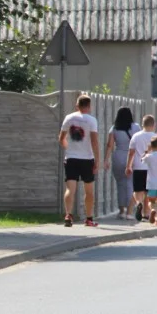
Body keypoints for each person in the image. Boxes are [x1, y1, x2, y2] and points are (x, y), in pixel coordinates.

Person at [59, 94, 100, 227]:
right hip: (87, 159)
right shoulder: (92, 120)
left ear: (77, 105)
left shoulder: (69, 118)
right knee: (88, 191)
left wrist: (68, 148)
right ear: (89, 106)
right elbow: (94, 141)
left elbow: (61, 138)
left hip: (71, 158)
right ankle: (88, 218)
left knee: (70, 189)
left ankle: (68, 215)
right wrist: (97, 160)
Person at [104, 107, 140, 219]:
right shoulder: (136, 127)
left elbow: (109, 145)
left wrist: (106, 159)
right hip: (131, 156)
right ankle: (130, 211)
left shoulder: (114, 128)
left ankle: (121, 210)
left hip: (118, 156)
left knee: (120, 184)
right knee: (130, 183)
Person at [125, 114, 157, 222]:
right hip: (151, 168)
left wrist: (128, 166)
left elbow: (131, 152)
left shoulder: (136, 136)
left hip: (138, 167)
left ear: (142, 124)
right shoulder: (155, 137)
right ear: (153, 125)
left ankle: (138, 204)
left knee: (137, 191)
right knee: (148, 192)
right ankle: (146, 213)